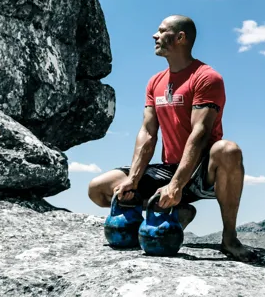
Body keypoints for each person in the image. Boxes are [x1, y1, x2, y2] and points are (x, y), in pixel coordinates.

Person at [88, 15, 255, 262]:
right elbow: (147, 132)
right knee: (98, 189)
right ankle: (177, 212)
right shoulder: (155, 82)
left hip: (202, 170)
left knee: (228, 150)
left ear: (180, 38)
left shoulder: (207, 77)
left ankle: (229, 238)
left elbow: (200, 135)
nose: (154, 36)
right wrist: (133, 180)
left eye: (161, 31)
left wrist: (176, 185)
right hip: (169, 167)